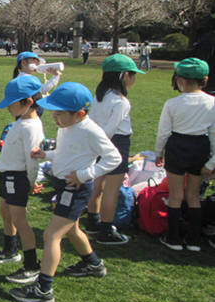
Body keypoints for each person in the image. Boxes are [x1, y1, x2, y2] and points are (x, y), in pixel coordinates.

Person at [10, 82, 121, 302]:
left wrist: (86, 174)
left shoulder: (90, 130)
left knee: (51, 235)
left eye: (59, 114)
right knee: (72, 230)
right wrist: (47, 155)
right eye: (53, 113)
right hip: (64, 187)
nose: (54, 118)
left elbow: (114, 158)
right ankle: (93, 264)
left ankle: (43, 290)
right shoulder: (67, 127)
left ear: (80, 114)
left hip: (75, 190)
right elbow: (66, 153)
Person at [0, 75, 44, 285]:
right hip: (7, 176)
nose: (8, 108)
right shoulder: (22, 122)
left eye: (12, 103)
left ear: (28, 102)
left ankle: (31, 266)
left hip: (17, 178)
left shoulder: (31, 127)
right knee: (5, 212)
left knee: (21, 221)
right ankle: (10, 250)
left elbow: (33, 160)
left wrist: (30, 182)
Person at [155, 58, 215, 251]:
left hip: (177, 145)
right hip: (200, 146)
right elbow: (214, 135)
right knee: (193, 195)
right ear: (204, 79)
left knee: (176, 194)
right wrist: (212, 161)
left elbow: (163, 132)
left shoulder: (172, 103)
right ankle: (194, 239)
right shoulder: (212, 103)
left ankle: (173, 238)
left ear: (179, 80)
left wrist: (158, 153)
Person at [86, 54, 144, 245]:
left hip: (98, 142)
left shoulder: (99, 97)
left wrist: (95, 147)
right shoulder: (121, 101)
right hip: (115, 144)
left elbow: (92, 124)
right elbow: (110, 130)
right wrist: (105, 148)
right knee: (112, 190)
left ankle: (93, 222)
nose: (134, 79)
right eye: (133, 75)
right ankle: (106, 231)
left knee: (98, 185)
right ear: (124, 76)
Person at [13, 51, 62, 118]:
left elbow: (33, 94)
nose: (37, 65)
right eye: (34, 62)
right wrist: (56, 76)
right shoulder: (28, 78)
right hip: (29, 112)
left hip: (25, 111)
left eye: (37, 63)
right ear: (23, 63)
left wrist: (43, 96)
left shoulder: (22, 77)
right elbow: (44, 89)